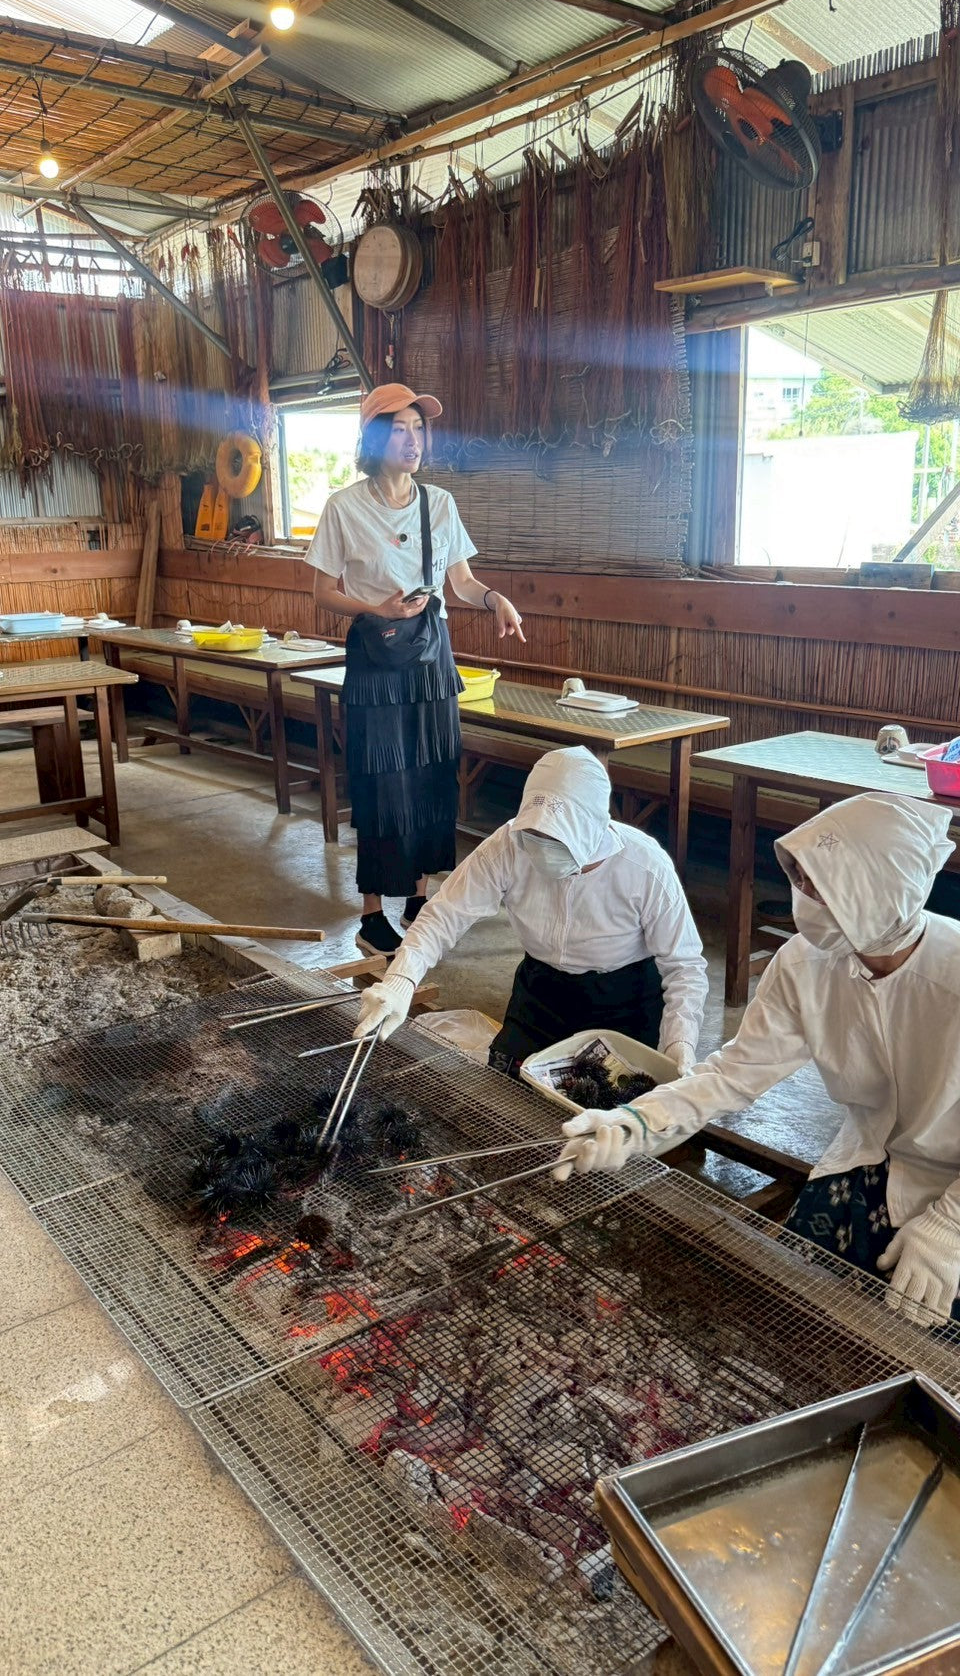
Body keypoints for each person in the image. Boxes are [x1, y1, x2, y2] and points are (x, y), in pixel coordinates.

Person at [556, 790, 960, 1329]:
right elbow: (733, 1073)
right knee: (795, 1310)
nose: (803, 896)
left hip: (951, 1179)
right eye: (801, 878)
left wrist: (950, 1226)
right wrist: (636, 1123)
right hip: (869, 1155)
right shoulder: (805, 963)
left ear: (877, 893)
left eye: (822, 885)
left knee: (925, 1339)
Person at [306, 383, 524, 957]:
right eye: (400, 429)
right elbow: (323, 592)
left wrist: (494, 599)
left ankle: (418, 898)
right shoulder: (344, 508)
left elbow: (462, 583)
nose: (413, 440)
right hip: (375, 662)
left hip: (430, 658)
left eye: (419, 428)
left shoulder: (440, 504)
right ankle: (372, 914)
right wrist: (375, 607)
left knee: (430, 774)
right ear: (374, 439)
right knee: (381, 780)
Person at [354, 745, 708, 1075]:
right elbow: (444, 914)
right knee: (508, 1088)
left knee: (609, 1102)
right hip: (542, 992)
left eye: (557, 838)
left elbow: (684, 965)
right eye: (534, 835)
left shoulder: (644, 865)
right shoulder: (508, 844)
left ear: (594, 828)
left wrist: (679, 1041)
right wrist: (401, 980)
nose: (541, 847)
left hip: (624, 1001)